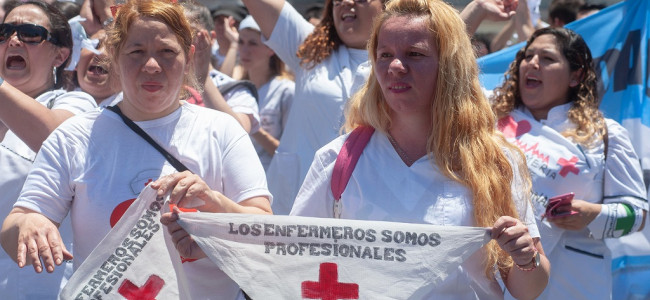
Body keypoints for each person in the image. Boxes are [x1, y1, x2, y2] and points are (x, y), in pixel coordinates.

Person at [0, 1, 272, 300]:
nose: (152, 66)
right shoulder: (75, 136)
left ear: (189, 57)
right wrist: (30, 225)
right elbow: (16, 223)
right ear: (114, 58)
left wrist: (215, 204)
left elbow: (265, 232)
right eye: (136, 52)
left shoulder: (222, 131)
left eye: (167, 52)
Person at [288, 0, 550, 298]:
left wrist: (525, 257)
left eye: (415, 54)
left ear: (449, 66)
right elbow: (299, 263)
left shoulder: (495, 161)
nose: (395, 67)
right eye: (385, 55)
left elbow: (529, 289)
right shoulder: (338, 160)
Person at [243, 0, 519, 214]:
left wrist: (477, 8)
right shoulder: (310, 50)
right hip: (294, 205)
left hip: (366, 209)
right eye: (337, 0)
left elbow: (442, 46)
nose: (346, 3)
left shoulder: (398, 65)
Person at [491, 27, 648, 299]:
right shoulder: (490, 118)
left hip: (573, 282)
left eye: (547, 58)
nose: (533, 63)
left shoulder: (604, 134)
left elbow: (637, 215)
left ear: (575, 75)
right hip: (494, 274)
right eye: (528, 56)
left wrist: (592, 214)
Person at [0, 1, 97, 298]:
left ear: (60, 55)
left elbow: (56, 139)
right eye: (5, 32)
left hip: (42, 284)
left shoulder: (76, 104)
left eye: (30, 33)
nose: (14, 40)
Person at [236, 15, 294, 170]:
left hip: (272, 183)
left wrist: (253, 127)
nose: (244, 50)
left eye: (253, 43)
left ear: (271, 49)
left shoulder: (286, 90)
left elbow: (290, 153)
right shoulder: (237, 89)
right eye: (241, 42)